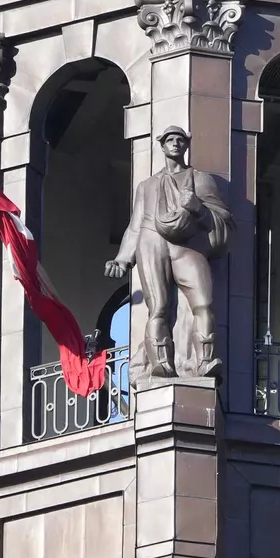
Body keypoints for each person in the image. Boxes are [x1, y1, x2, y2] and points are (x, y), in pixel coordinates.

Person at [106, 126, 233, 380]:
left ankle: (205, 360)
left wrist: (198, 208)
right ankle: (160, 363)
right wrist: (122, 258)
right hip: (152, 242)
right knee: (158, 307)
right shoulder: (147, 186)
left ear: (187, 146)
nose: (175, 144)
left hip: (189, 245)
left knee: (204, 302)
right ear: (162, 146)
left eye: (180, 140)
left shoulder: (201, 180)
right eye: (169, 140)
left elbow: (224, 221)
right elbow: (135, 225)